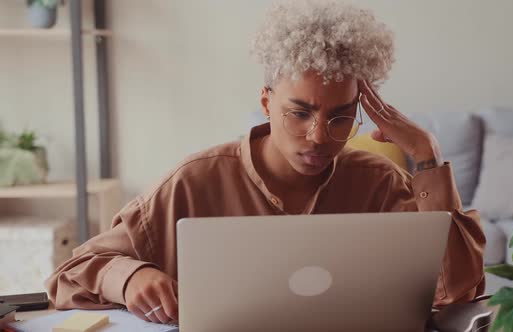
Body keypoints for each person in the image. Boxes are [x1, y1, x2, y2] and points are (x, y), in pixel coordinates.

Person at [45, 0, 485, 324]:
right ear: (266, 101)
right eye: (299, 113)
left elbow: (458, 289)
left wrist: (427, 157)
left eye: (340, 117)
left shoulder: (381, 183)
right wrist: (130, 277)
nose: (317, 137)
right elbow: (70, 275)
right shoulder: (191, 182)